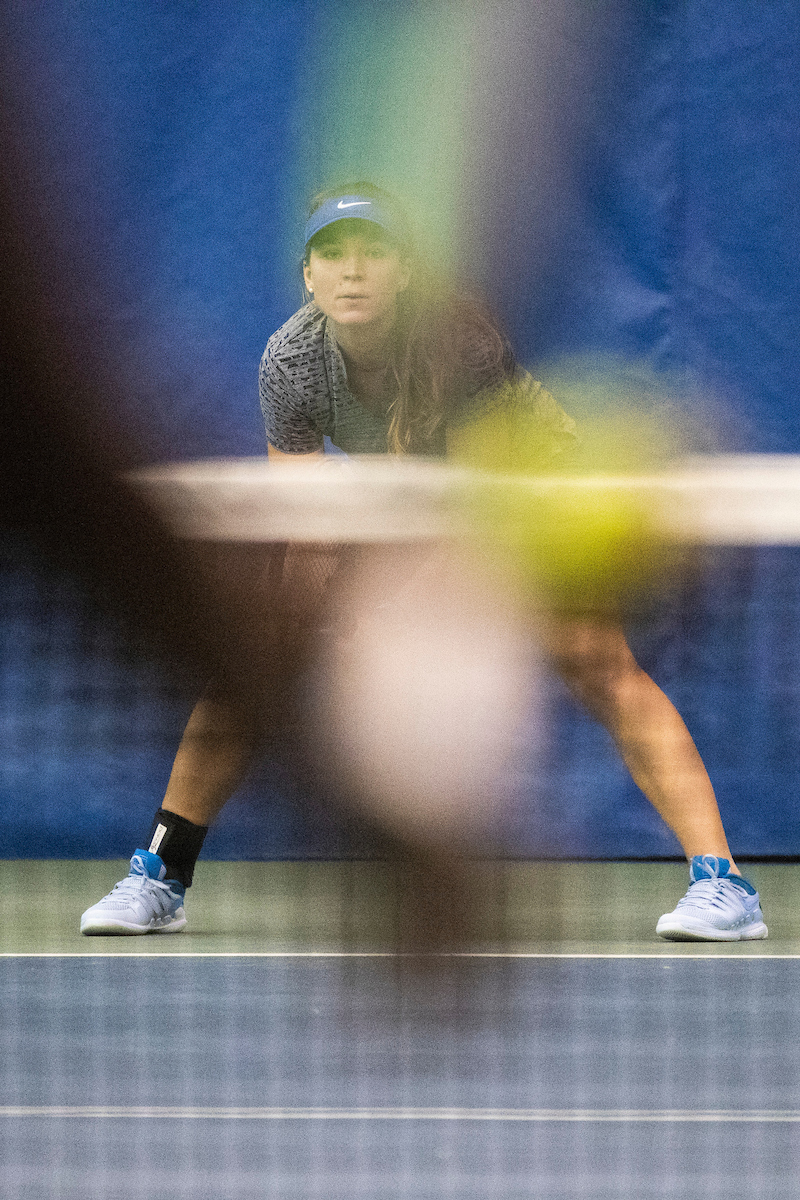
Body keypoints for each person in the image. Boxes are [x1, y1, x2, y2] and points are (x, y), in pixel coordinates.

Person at [80, 182, 768, 942]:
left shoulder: (458, 341)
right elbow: (304, 521)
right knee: (251, 663)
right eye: (331, 255)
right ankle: (161, 873)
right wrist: (302, 631)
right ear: (307, 276)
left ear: (404, 270)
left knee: (592, 659)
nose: (352, 270)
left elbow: (466, 514)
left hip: (530, 486)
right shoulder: (291, 362)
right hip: (400, 496)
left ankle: (724, 885)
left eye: (372, 251)